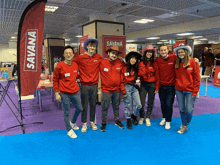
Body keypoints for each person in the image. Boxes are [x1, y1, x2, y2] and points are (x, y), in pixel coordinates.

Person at [73, 38, 103, 133]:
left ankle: (92, 122)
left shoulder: (98, 57)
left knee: (93, 104)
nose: (92, 47)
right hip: (84, 85)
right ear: (87, 46)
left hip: (94, 85)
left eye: (94, 46)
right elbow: (71, 64)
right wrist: (59, 64)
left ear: (96, 47)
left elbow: (107, 63)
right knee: (84, 105)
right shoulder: (80, 57)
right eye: (90, 46)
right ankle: (84, 123)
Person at [53, 46, 82, 139]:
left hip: (75, 91)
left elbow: (75, 76)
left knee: (80, 109)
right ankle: (69, 130)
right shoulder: (59, 66)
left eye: (70, 53)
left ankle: (72, 122)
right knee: (66, 112)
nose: (68, 54)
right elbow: (55, 79)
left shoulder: (75, 65)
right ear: (63, 55)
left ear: (73, 54)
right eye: (66, 53)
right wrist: (56, 93)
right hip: (64, 93)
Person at [174, 45, 200, 134]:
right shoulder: (177, 63)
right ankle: (184, 125)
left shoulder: (193, 62)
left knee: (189, 110)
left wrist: (195, 91)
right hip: (179, 90)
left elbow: (197, 79)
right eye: (179, 52)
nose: (180, 53)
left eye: (182, 52)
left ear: (186, 52)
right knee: (182, 109)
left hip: (190, 90)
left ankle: (186, 123)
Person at [99, 45, 125, 132]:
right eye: (113, 53)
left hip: (117, 90)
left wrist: (123, 60)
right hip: (106, 90)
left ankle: (117, 121)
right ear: (109, 53)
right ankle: (103, 122)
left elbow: (128, 66)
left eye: (116, 54)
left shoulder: (120, 62)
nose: (114, 55)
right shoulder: (102, 62)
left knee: (116, 106)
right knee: (105, 107)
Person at [121, 51, 145, 129]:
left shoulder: (137, 68)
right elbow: (121, 80)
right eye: (132, 58)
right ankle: (128, 119)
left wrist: (140, 63)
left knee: (139, 105)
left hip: (135, 87)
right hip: (126, 87)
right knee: (127, 105)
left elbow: (142, 74)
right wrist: (123, 91)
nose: (133, 60)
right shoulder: (124, 68)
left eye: (135, 59)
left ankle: (134, 116)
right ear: (129, 59)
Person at [156, 44, 176, 130]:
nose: (163, 52)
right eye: (161, 50)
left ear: (168, 50)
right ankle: (164, 117)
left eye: (165, 50)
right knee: (163, 104)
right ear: (159, 51)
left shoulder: (174, 58)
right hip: (161, 86)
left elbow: (184, 58)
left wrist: (194, 60)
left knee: (169, 104)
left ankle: (168, 121)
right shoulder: (157, 60)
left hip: (171, 86)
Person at [139, 45, 159, 126]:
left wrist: (157, 87)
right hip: (143, 84)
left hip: (152, 84)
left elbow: (157, 75)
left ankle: (147, 117)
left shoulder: (155, 63)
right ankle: (142, 116)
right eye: (148, 52)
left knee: (150, 102)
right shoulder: (141, 62)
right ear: (145, 53)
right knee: (141, 102)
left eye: (151, 52)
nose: (149, 53)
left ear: (152, 54)